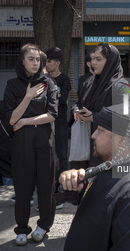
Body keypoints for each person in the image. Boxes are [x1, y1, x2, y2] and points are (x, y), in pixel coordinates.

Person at [60, 105, 130, 251]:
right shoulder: (109, 167)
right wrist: (71, 183)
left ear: (123, 141)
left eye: (100, 131)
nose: (93, 135)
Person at [3, 43, 58, 245]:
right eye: (31, 59)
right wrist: (27, 96)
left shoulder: (48, 83)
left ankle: (43, 225)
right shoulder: (12, 85)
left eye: (38, 60)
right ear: (22, 60)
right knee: (23, 188)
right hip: (22, 143)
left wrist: (25, 121)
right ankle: (22, 228)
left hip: (44, 140)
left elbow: (52, 115)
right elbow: (10, 119)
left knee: (45, 185)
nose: (36, 63)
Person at [76, 43, 129, 167]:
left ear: (110, 61)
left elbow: (125, 117)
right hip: (87, 143)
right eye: (92, 58)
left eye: (98, 59)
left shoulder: (122, 86)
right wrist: (77, 111)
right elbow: (80, 103)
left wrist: (94, 117)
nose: (93, 63)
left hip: (109, 149)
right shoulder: (91, 82)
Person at [45, 47, 71, 178]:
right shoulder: (44, 79)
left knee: (62, 154)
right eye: (46, 61)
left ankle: (64, 184)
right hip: (45, 121)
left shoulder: (64, 79)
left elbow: (64, 99)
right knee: (46, 154)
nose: (47, 64)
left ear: (57, 63)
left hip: (60, 122)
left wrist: (51, 98)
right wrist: (56, 97)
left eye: (50, 61)